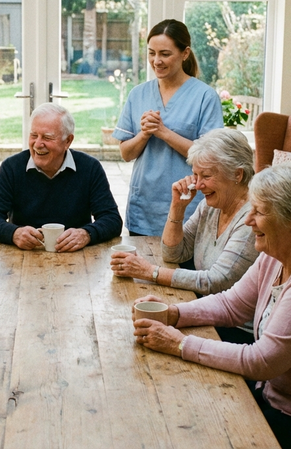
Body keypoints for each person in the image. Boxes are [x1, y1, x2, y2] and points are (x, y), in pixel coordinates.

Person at [133, 162, 291, 449]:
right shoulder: (279, 251)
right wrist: (175, 312)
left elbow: (262, 361)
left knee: (202, 430)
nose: (247, 220)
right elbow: (232, 304)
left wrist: (180, 345)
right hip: (283, 399)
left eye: (259, 211)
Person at [111, 129, 259, 342]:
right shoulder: (210, 206)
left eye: (206, 176)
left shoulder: (252, 218)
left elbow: (216, 281)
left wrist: (148, 271)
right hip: (206, 312)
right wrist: (177, 207)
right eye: (195, 175)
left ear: (238, 174)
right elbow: (173, 253)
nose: (197, 185)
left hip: (236, 330)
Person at [114, 19, 223, 236]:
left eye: (165, 54)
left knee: (183, 269)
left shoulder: (205, 97)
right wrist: (144, 134)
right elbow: (126, 154)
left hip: (188, 207)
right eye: (151, 53)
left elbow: (210, 158)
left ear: (185, 53)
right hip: (144, 208)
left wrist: (163, 132)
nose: (157, 61)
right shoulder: (138, 94)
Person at [0, 103, 122, 251]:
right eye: (34, 135)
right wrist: (14, 233)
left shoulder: (90, 167)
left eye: (47, 137)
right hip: (24, 257)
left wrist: (86, 234)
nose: (38, 144)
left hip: (76, 257)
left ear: (68, 141)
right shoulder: (12, 167)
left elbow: (112, 219)